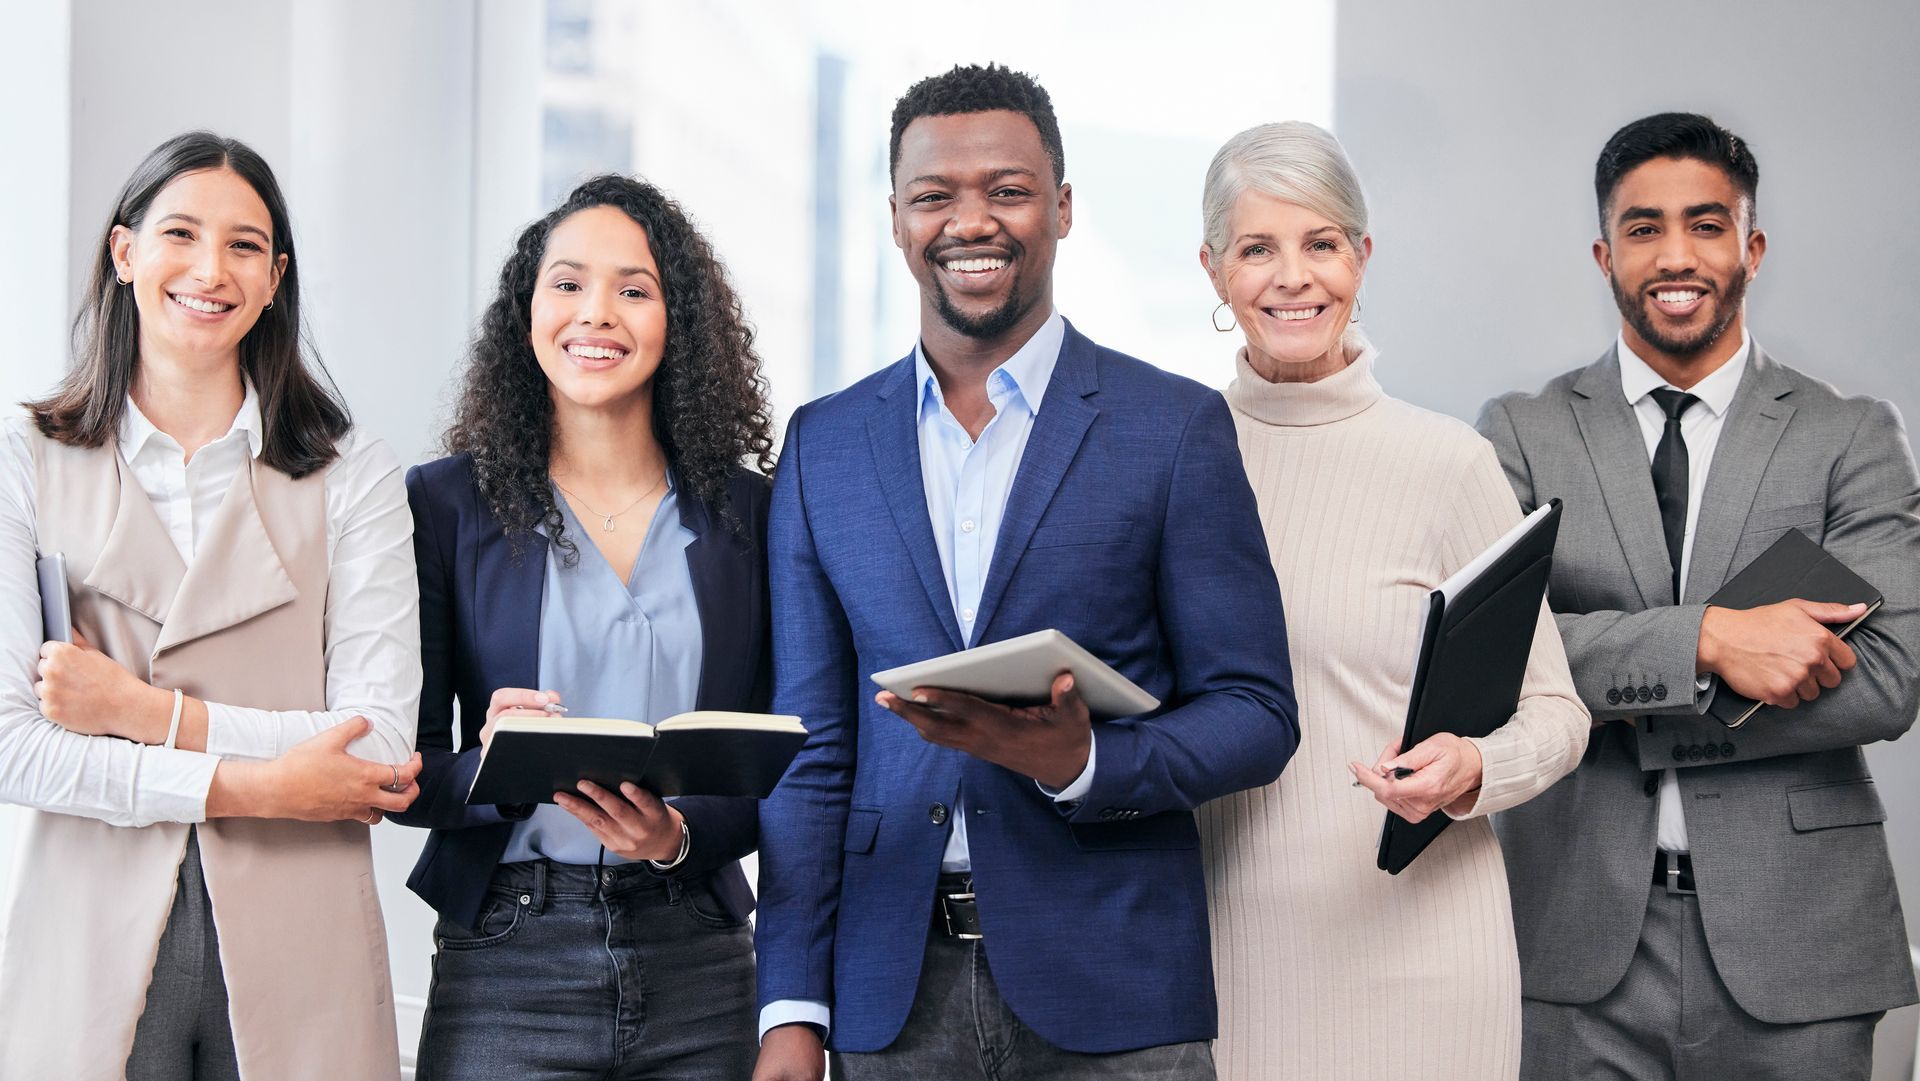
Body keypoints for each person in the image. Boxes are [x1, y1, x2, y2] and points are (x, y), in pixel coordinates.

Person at [752, 64, 1298, 1081]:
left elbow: (1256, 710)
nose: (973, 221)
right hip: (888, 995)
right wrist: (790, 1003)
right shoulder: (823, 445)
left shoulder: (1171, 430)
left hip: (1118, 988)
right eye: (935, 196)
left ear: (1062, 206)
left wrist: (1081, 764)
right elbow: (810, 750)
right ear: (895, 217)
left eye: (1007, 190)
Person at [1480, 112, 1920, 1080]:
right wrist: (1709, 642)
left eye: (1706, 225)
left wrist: (1621, 699)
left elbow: (1889, 680)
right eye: (1644, 228)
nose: (1676, 255)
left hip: (1799, 939)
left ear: (1751, 246)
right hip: (1576, 937)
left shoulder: (1851, 434)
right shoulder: (1523, 431)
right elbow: (1501, 655)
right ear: (1604, 253)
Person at [0, 131, 423, 1080]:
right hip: (88, 926)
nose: (209, 268)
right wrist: (257, 785)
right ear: (124, 255)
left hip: (301, 933)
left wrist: (143, 716)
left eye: (244, 246)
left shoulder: (354, 473)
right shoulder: (25, 458)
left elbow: (381, 746)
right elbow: (11, 744)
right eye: (180, 233)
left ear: (275, 278)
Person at [1194, 120, 1590, 1081]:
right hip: (1222, 944)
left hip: (1423, 953)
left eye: (1321, 243)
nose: (1294, 277)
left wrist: (1473, 767)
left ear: (1361, 258)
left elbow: (1558, 714)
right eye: (1259, 248)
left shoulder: (1447, 460)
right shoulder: (1175, 454)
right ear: (1214, 270)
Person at [391, 174, 775, 1080]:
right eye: (567, 284)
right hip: (507, 957)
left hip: (701, 954)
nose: (594, 314)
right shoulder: (443, 504)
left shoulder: (750, 515)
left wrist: (677, 834)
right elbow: (400, 772)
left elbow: (788, 757)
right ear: (528, 310)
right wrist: (491, 767)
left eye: (632, 290)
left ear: (677, 320)